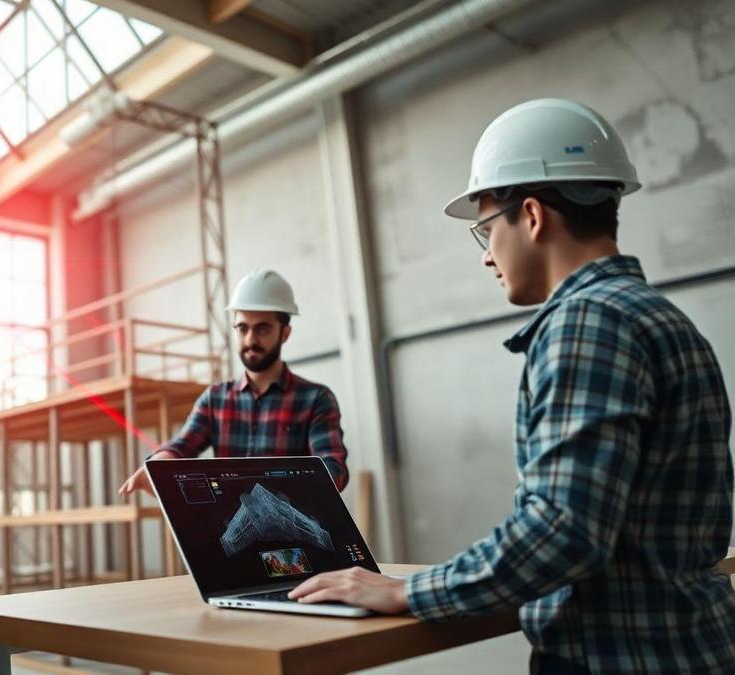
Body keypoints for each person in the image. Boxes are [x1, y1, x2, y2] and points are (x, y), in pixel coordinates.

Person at [288, 99, 735, 672]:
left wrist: (406, 591)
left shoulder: (587, 323)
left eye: (485, 230)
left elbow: (564, 530)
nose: (486, 257)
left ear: (532, 215)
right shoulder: (662, 319)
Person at [120, 269, 350, 496]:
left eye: (263, 329)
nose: (250, 339)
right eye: (243, 328)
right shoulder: (216, 398)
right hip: (231, 530)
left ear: (285, 333)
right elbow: (182, 445)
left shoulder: (316, 400)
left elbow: (333, 472)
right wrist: (158, 466)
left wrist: (280, 492)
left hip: (292, 528)